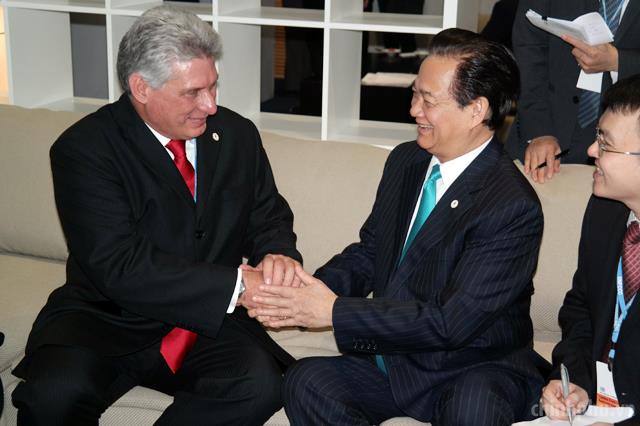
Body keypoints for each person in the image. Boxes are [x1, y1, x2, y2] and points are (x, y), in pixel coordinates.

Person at [11, 5, 302, 426]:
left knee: (258, 386)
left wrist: (278, 254)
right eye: (192, 93)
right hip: (107, 319)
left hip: (206, 323)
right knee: (52, 397)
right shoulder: (85, 150)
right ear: (141, 87)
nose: (210, 105)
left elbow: (267, 214)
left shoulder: (237, 135)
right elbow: (119, 265)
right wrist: (239, 286)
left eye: (213, 86)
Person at [249, 28, 547, 426]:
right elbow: (371, 252)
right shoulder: (407, 161)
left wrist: (334, 312)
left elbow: (451, 322)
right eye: (414, 94)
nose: (413, 110)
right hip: (395, 358)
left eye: (428, 100)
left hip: (471, 366)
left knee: (472, 409)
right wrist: (297, 296)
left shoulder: (511, 205)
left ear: (476, 110)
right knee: (307, 381)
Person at [540, 75, 640, 425]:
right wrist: (575, 381)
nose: (591, 151)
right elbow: (580, 310)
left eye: (605, 143)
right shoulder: (605, 211)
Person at [505, 0, 640, 183]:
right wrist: (539, 131)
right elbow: (528, 49)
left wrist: (618, 61)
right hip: (545, 126)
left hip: (626, 149)